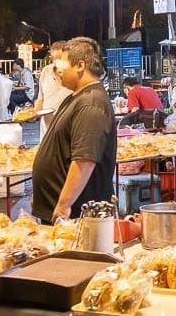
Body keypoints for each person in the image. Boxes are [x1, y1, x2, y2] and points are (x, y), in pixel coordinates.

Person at [32, 37, 117, 222]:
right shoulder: (76, 97)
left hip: (76, 216)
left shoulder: (92, 103)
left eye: (62, 64)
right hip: (59, 213)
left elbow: (84, 159)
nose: (57, 71)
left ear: (80, 65)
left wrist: (64, 204)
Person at [34, 41, 71, 137]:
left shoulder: (73, 75)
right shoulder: (46, 71)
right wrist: (34, 113)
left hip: (67, 130)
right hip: (47, 130)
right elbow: (41, 98)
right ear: (51, 59)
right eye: (57, 60)